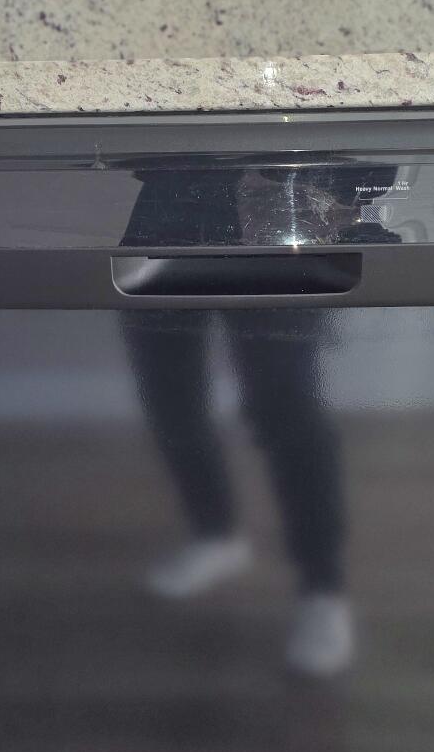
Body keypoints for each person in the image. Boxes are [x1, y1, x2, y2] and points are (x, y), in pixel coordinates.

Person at [120, 160, 400, 678]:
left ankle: (323, 589)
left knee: (284, 401)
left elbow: (375, 161)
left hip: (282, 213)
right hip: (165, 212)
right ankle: (215, 534)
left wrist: (328, 190)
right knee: (168, 392)